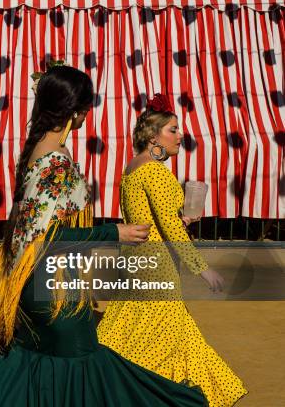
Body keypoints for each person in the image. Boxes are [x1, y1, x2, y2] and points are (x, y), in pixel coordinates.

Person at [0, 66, 207, 406]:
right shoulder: (57, 161)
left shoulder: (35, 152)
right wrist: (112, 231)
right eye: (85, 106)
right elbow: (49, 234)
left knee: (31, 377)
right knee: (79, 373)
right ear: (75, 111)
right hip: (56, 289)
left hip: (32, 284)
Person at [96, 94, 247, 406]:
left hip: (136, 263)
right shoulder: (155, 171)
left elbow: (154, 219)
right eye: (174, 130)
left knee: (132, 332)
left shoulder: (133, 167)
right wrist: (201, 267)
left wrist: (178, 218)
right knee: (168, 339)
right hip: (156, 267)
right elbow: (170, 228)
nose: (181, 135)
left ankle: (115, 386)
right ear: (154, 136)